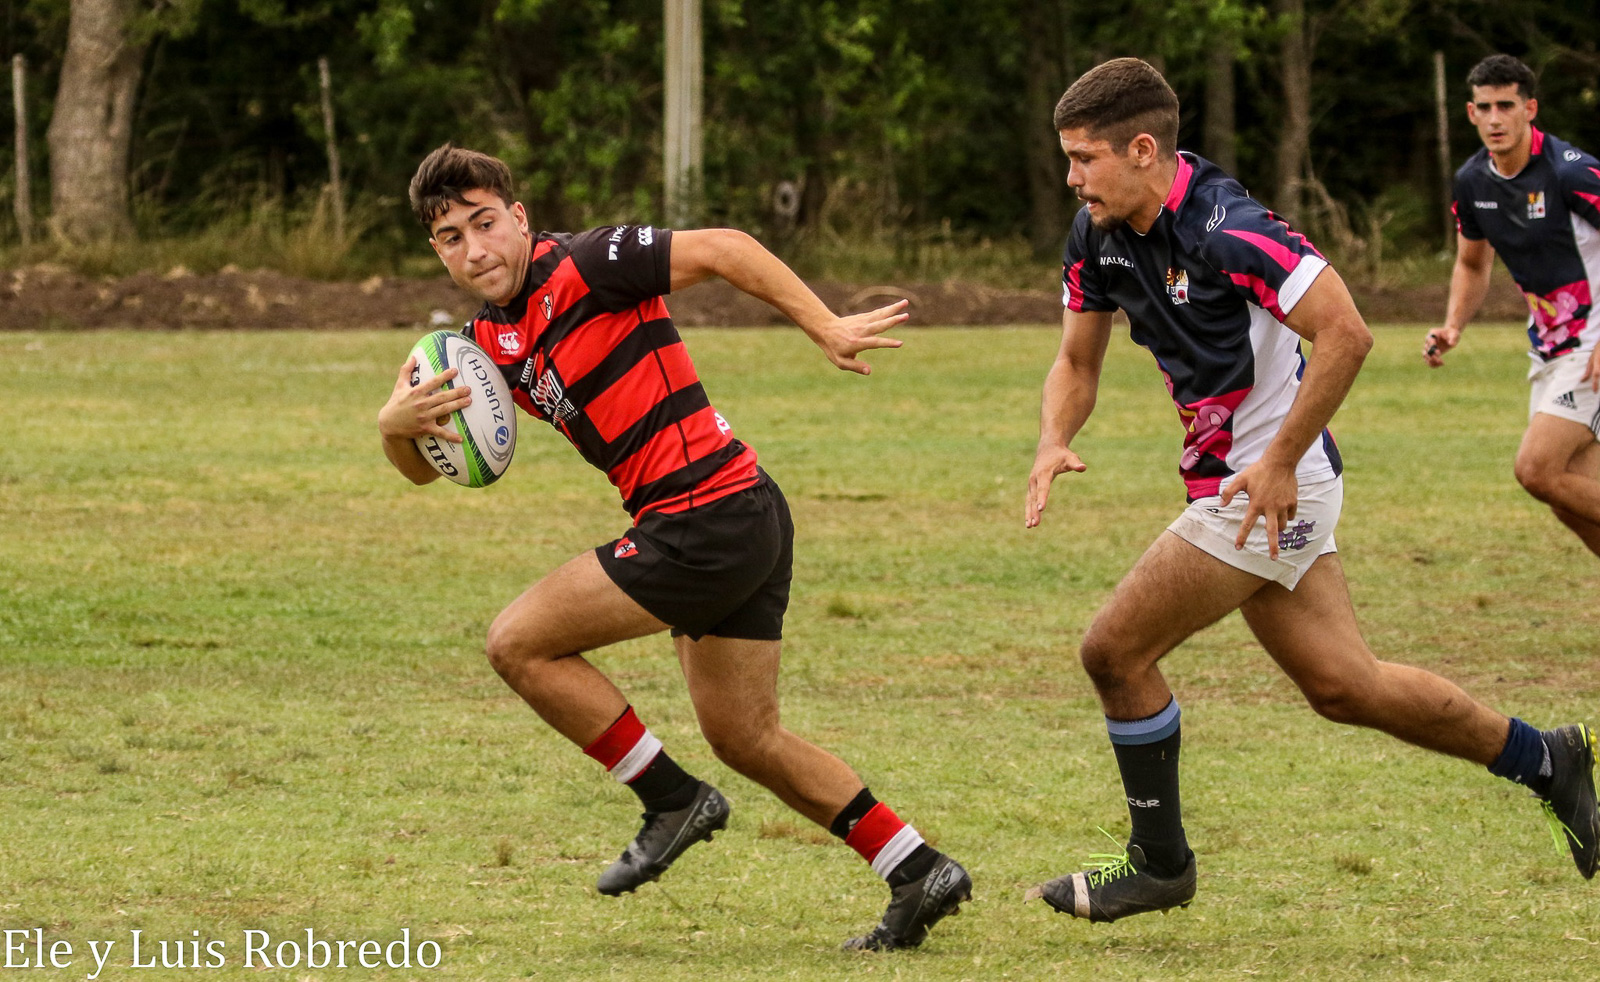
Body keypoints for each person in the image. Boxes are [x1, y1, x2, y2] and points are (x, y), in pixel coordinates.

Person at [1022, 58, 1598, 923]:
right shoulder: (1096, 233)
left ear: (1142, 149)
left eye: (1083, 159)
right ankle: (1548, 760)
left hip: (1268, 489)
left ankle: (1160, 862)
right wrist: (1053, 438)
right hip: (1244, 482)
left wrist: (1281, 459)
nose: (1071, 178)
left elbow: (1347, 333)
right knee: (1346, 688)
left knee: (1113, 651)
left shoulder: (1231, 229)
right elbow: (1075, 359)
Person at [378, 144, 970, 951]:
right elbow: (428, 471)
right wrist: (392, 429)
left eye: (484, 223)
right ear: (436, 251)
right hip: (740, 511)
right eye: (451, 238)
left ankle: (670, 799)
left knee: (517, 643)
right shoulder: (487, 347)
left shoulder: (586, 265)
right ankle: (916, 866)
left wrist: (821, 321)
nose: (474, 249)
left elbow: (725, 247)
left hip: (706, 516)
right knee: (745, 736)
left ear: (519, 219)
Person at [1423, 54, 1600, 558]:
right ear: (1471, 113)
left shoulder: (1572, 173)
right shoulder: (1473, 183)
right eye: (1485, 107)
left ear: (1531, 109)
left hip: (1592, 345)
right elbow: (1473, 266)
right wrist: (1453, 324)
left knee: (1537, 469)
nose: (1496, 118)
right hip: (1549, 349)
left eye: (1507, 105)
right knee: (1570, 499)